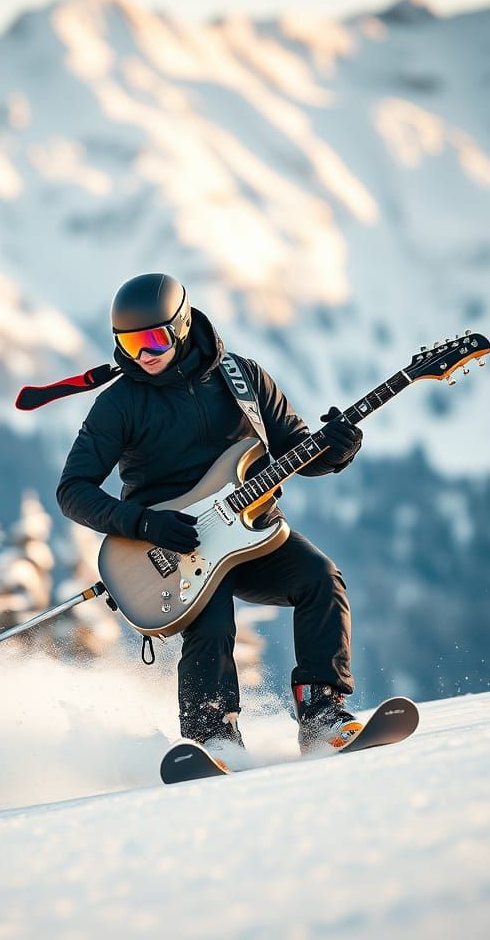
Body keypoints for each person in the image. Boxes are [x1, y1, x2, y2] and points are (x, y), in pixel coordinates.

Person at [56, 272, 364, 757]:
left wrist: (338, 450)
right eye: (129, 343)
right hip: (172, 548)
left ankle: (322, 718)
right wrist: (143, 523)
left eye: (153, 339)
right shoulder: (118, 404)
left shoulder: (243, 378)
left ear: (181, 326)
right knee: (212, 621)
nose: (143, 355)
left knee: (321, 580)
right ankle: (214, 737)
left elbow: (300, 452)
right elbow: (72, 491)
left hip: (251, 532)